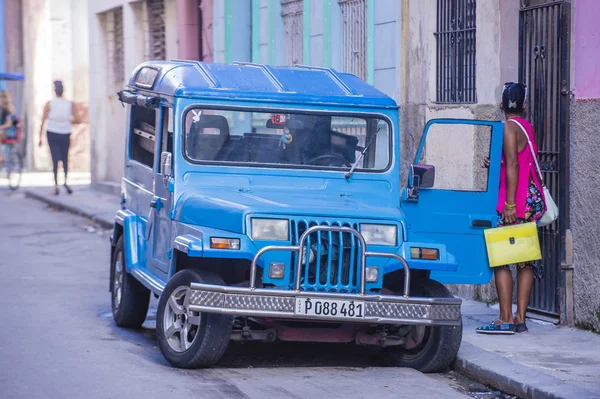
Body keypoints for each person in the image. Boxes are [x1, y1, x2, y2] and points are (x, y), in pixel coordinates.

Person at [477, 82, 547, 335]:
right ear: (524, 106)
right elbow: (518, 159)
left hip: (512, 201)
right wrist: (494, 161)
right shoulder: (526, 128)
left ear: (500, 105)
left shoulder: (506, 127)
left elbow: (514, 166)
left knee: (502, 262)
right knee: (525, 261)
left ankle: (504, 318)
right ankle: (520, 317)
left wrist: (509, 205)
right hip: (529, 200)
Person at [39, 80, 79, 195]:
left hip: (53, 132)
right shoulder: (69, 103)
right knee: (64, 158)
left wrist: (40, 138)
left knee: (55, 159)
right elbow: (76, 119)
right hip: (64, 132)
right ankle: (64, 182)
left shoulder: (50, 103)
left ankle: (56, 186)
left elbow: (43, 121)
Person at [0, 90, 17, 166]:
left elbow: (9, 124)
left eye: (4, 97)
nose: (3, 99)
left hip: (10, 131)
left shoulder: (10, 108)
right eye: (1, 97)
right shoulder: (2, 108)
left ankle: (1, 156)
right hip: (4, 130)